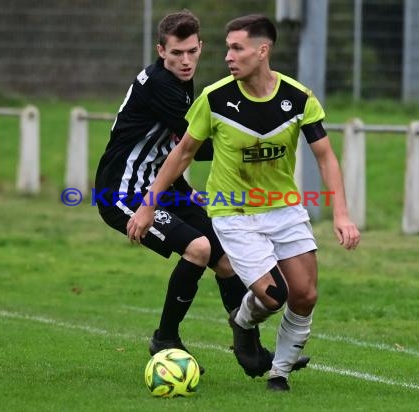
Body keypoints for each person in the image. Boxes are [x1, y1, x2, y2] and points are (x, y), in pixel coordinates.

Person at [127, 14, 360, 391]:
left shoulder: (298, 98)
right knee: (273, 296)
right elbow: (182, 154)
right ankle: (242, 322)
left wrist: (342, 214)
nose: (227, 57)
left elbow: (326, 157)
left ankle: (279, 373)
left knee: (305, 294)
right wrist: (150, 204)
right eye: (228, 48)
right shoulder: (214, 98)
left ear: (262, 50)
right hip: (233, 213)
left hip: (284, 209)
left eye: (237, 48)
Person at [95, 10, 290, 378]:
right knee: (199, 248)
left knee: (228, 260)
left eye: (191, 52)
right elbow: (196, 146)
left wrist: (186, 192)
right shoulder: (159, 84)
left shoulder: (182, 84)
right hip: (123, 192)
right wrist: (254, 142)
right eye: (176, 54)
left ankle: (246, 342)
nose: (185, 61)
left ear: (200, 47)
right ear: (160, 51)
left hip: (161, 187)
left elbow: (171, 147)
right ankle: (165, 338)